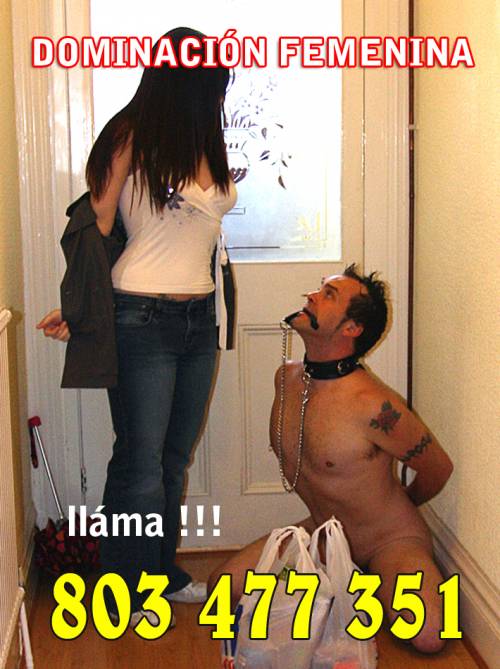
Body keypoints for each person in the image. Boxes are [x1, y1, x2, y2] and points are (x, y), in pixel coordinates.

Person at [37, 27, 237, 627]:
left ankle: (159, 574)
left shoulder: (205, 141)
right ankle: (124, 589)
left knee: (172, 460)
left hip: (199, 320)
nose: (217, 94)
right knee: (141, 464)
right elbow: (94, 226)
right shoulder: (129, 134)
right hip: (140, 318)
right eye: (211, 82)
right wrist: (82, 310)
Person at [209, 265, 453, 654]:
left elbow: (438, 468)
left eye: (328, 295)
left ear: (351, 328)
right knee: (224, 588)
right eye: (319, 289)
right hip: (325, 535)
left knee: (429, 634)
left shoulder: (374, 405)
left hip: (389, 541)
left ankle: (368, 583)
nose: (311, 296)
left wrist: (396, 511)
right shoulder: (286, 379)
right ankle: (346, 586)